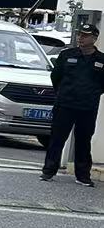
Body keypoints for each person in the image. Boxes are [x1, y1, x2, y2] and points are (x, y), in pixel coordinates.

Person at [41, 22, 104, 185]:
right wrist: (63, 93)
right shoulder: (67, 55)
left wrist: (92, 94)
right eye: (79, 34)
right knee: (57, 139)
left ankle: (83, 176)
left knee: (84, 141)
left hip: (87, 107)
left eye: (85, 35)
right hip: (65, 104)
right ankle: (48, 171)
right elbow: (56, 77)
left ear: (94, 38)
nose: (80, 38)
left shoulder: (101, 60)